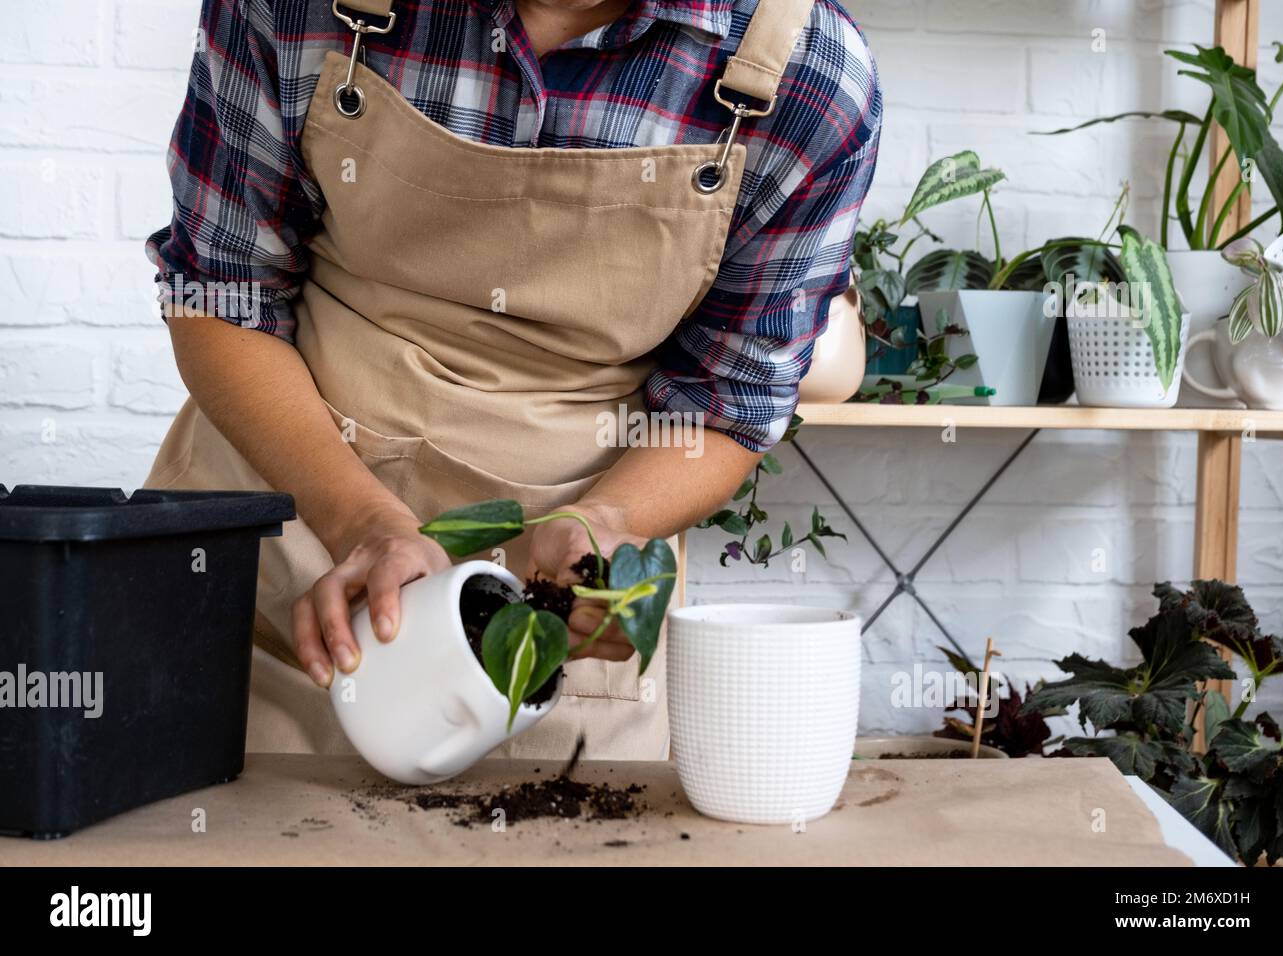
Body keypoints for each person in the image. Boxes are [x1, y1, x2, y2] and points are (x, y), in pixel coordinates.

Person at [145, 0, 882, 759]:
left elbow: (725, 405)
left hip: (548, 642)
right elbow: (220, 297)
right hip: (283, 562)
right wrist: (361, 521)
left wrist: (602, 527)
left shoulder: (810, 74)